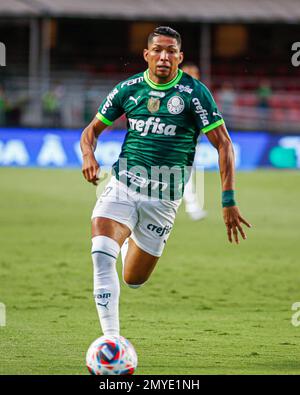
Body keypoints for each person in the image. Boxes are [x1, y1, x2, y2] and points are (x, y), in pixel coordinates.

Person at [80, 26, 251, 338]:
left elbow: (224, 144)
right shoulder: (128, 89)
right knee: (101, 255)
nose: (163, 56)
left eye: (171, 51)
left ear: (180, 57)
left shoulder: (194, 93)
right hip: (122, 187)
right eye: (157, 49)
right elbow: (90, 131)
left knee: (133, 279)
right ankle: (111, 342)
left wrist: (228, 200)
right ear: (146, 55)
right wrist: (88, 155)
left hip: (163, 199)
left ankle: (131, 238)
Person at [181, 63, 207, 221]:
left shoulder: (199, 94)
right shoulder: (176, 93)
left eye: (194, 73)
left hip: (190, 143)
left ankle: (192, 207)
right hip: (176, 143)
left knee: (185, 174)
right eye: (188, 73)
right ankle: (192, 207)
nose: (191, 76)